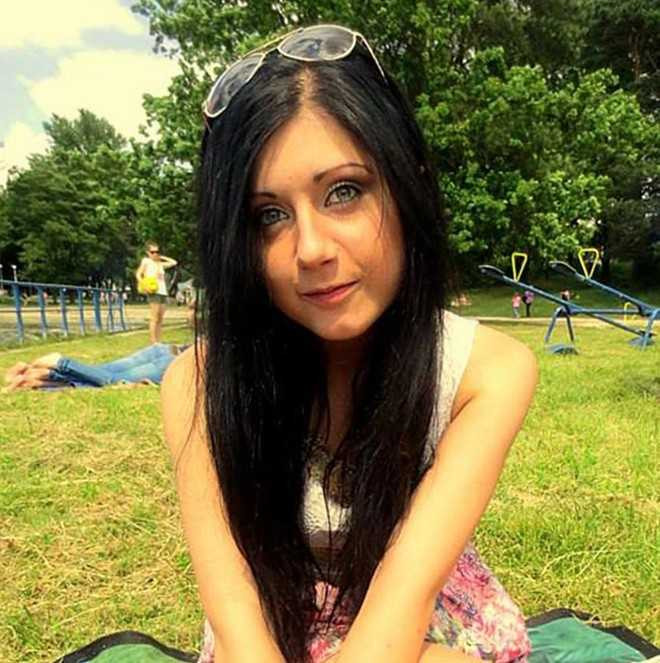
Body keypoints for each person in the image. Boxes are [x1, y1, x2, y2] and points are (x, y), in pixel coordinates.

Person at [161, 24, 537, 663]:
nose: (311, 249)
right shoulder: (197, 383)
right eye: (269, 216)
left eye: (343, 192)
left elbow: (403, 604)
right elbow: (236, 617)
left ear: (406, 183)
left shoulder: (487, 373)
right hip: (275, 615)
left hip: (416, 619)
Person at [3, 343, 186, 391]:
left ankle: (41, 377)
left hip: (165, 350)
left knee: (100, 374)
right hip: (179, 363)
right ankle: (59, 363)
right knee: (113, 381)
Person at [136, 241, 178, 343]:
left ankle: (158, 340)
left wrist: (162, 257)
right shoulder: (146, 261)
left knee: (160, 318)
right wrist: (143, 284)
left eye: (157, 251)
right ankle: (153, 341)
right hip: (153, 290)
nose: (155, 254)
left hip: (162, 291)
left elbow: (174, 262)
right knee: (154, 317)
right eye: (152, 252)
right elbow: (138, 274)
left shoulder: (159, 264)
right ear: (148, 252)